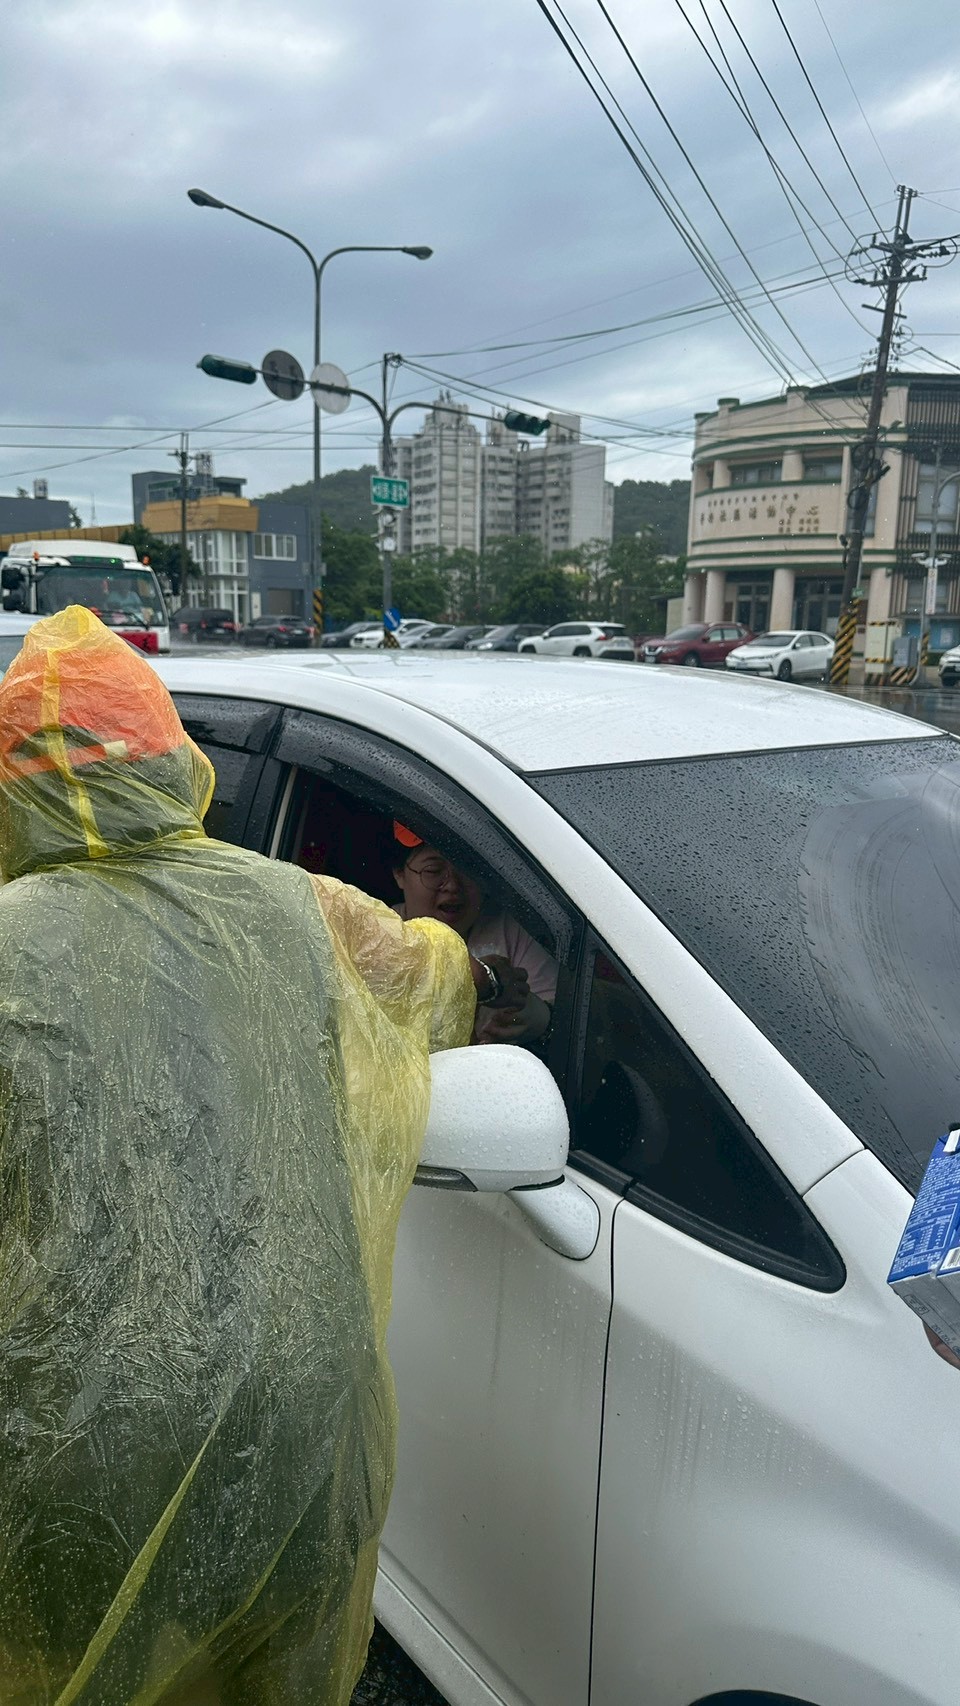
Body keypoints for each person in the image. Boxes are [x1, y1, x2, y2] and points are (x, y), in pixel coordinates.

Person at [0, 607, 525, 1706]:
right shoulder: (303, 909)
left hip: (71, 1430)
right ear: (171, 761)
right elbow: (437, 981)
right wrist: (479, 947)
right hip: (295, 1403)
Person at [392, 824, 559, 1046]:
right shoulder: (381, 933)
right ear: (399, 874)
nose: (452, 885)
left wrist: (542, 1019)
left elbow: (577, 1021)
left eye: (467, 868)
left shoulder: (512, 931)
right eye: (433, 871)